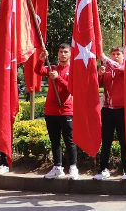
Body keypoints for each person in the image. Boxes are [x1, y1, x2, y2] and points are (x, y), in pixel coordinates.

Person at [34, 44, 76, 180]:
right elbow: (38, 71)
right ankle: (58, 167)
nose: (63, 54)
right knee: (55, 141)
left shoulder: (73, 70)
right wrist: (41, 59)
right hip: (51, 111)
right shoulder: (53, 68)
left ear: (70, 54)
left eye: (65, 52)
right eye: (60, 52)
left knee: (69, 140)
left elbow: (71, 89)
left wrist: (57, 77)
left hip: (66, 110)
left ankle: (73, 168)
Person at [94, 46, 126, 181]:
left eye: (118, 54)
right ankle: (104, 169)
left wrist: (104, 58)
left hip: (122, 110)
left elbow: (120, 69)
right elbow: (97, 85)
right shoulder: (107, 69)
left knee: (124, 141)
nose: (115, 56)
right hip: (108, 110)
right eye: (113, 54)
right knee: (106, 141)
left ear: (123, 56)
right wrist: (99, 74)